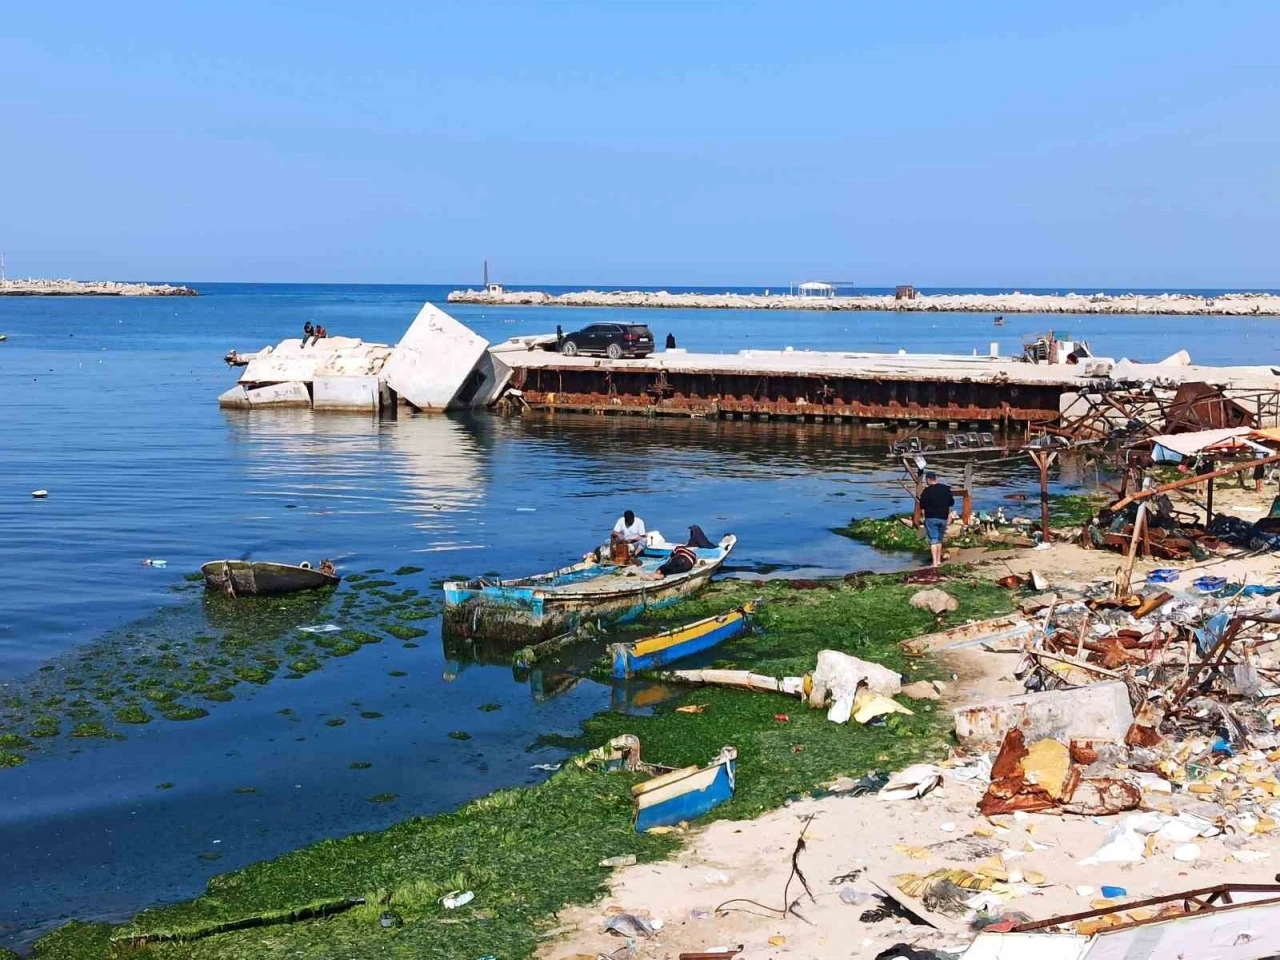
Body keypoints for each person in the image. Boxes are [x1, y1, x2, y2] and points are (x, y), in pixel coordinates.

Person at [918, 471, 955, 568]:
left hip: (931, 517)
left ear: (928, 480)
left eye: (926, 480)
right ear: (936, 479)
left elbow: (922, 506)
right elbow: (951, 503)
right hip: (943, 517)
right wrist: (949, 515)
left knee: (933, 540)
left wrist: (924, 518)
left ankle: (934, 563)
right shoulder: (946, 489)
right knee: (939, 539)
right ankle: (938, 561)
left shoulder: (927, 491)